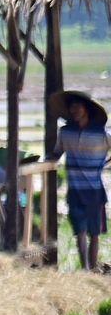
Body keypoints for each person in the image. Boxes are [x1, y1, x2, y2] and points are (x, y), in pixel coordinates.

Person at [50, 91, 109, 272]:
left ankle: (91, 270)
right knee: (80, 232)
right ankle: (86, 270)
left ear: (86, 109)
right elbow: (57, 152)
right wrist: (45, 160)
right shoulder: (65, 132)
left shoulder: (101, 134)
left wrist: (103, 164)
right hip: (75, 190)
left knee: (94, 233)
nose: (73, 109)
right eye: (71, 106)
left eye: (77, 106)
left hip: (95, 192)